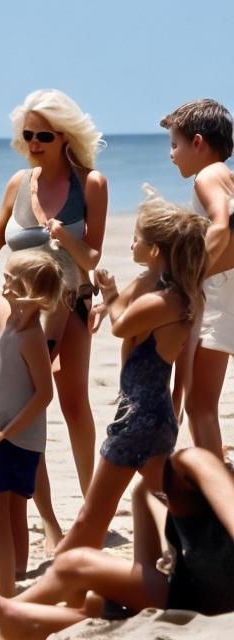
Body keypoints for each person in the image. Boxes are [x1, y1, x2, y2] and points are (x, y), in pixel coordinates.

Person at [0, 89, 108, 551]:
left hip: (71, 302)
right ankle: (48, 522)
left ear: (66, 136)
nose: (34, 142)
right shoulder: (18, 182)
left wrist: (65, 239)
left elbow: (93, 258)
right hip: (18, 307)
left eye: (44, 134)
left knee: (73, 402)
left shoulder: (92, 184)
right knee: (22, 409)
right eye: (28, 134)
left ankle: (92, 510)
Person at [0, 447, 234, 640]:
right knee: (85, 585)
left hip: (212, 600)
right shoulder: (148, 492)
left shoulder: (194, 462)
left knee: (81, 574)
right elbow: (143, 571)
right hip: (190, 596)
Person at [54, 194, 207, 555]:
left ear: (155, 250)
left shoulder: (164, 300)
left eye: (137, 238)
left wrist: (108, 292)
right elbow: (130, 310)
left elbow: (123, 326)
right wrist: (110, 298)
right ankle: (193, 555)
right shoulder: (175, 293)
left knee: (90, 518)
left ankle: (60, 572)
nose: (131, 243)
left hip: (138, 415)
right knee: (161, 498)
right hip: (158, 415)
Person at [0, 250, 62, 596]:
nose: (4, 284)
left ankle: (6, 586)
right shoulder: (12, 324)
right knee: (11, 512)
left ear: (28, 292)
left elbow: (44, 394)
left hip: (16, 439)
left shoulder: (32, 337)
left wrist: (2, 433)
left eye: (10, 279)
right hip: (7, 433)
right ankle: (19, 573)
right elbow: (9, 372)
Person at [160, 99, 234, 457]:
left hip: (217, 297)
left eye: (175, 144)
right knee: (203, 404)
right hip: (226, 294)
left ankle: (215, 498)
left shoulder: (207, 175)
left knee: (200, 407)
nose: (172, 154)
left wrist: (190, 276)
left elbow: (224, 222)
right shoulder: (224, 174)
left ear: (199, 142)